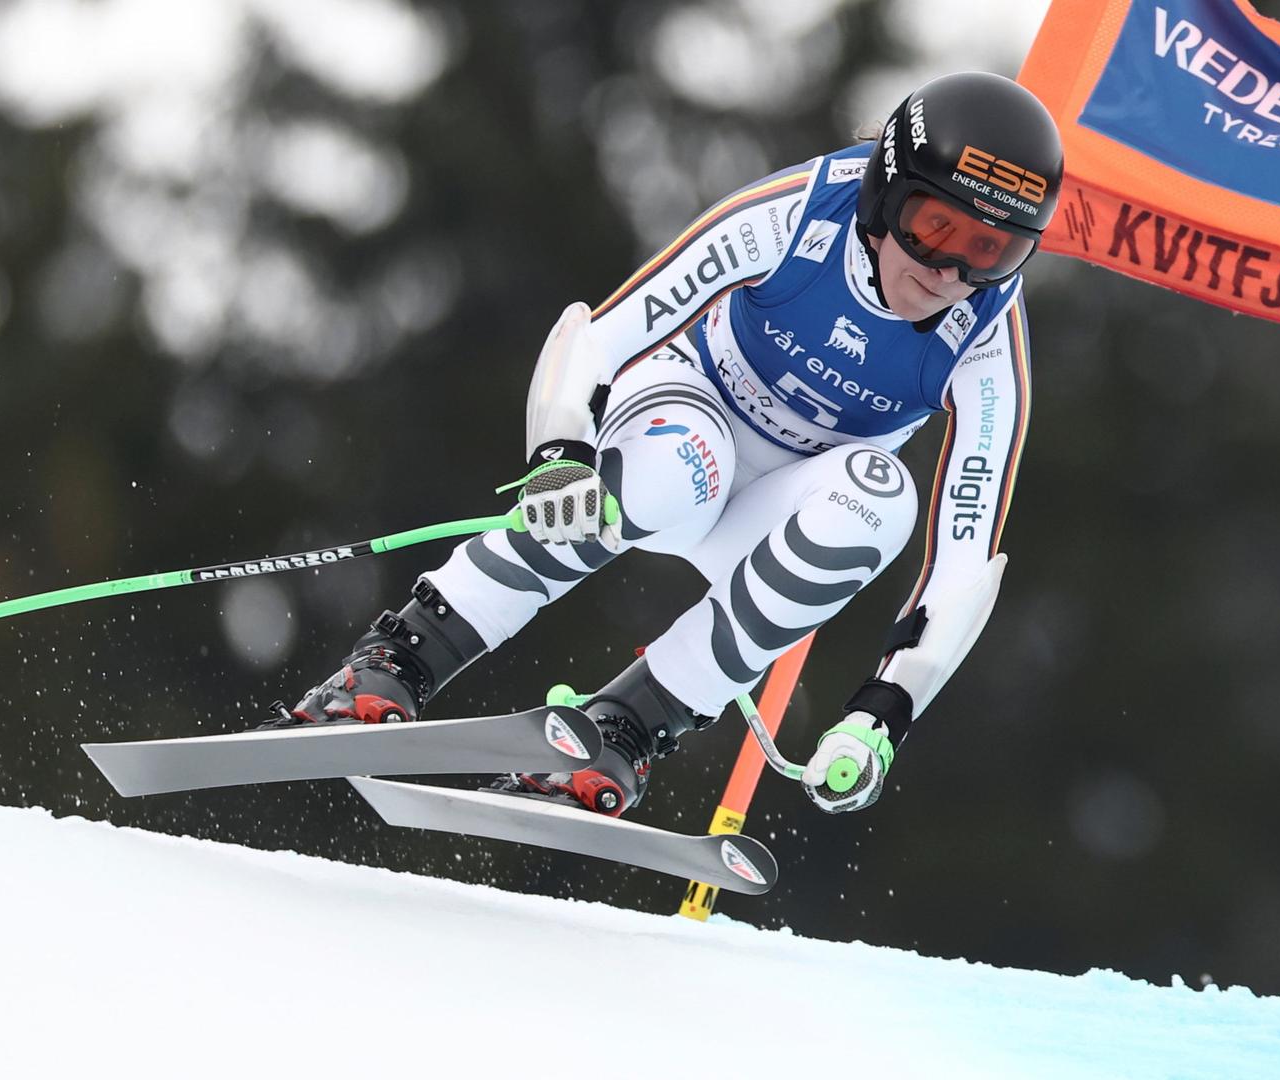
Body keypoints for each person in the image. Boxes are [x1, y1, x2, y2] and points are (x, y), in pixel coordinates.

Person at [264, 71, 1063, 818]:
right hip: (693, 414)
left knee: (882, 498)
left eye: (993, 251)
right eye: (935, 229)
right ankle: (401, 656)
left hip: (788, 504)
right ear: (886, 194)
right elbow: (600, 336)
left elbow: (966, 560)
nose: (952, 272)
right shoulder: (798, 212)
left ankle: (625, 732)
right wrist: (560, 454)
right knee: (675, 477)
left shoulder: (988, 335)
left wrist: (884, 713)